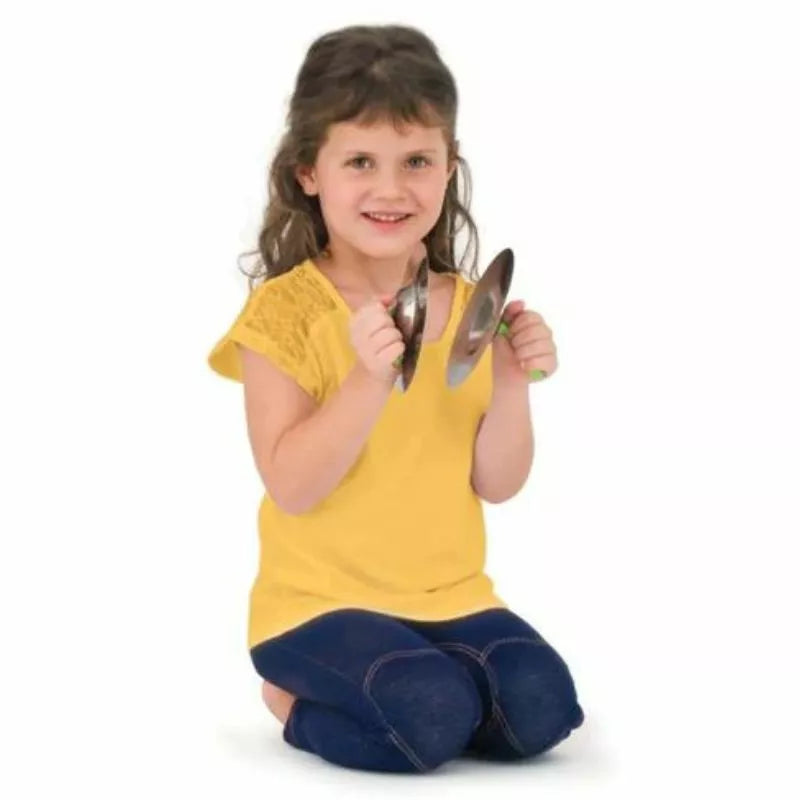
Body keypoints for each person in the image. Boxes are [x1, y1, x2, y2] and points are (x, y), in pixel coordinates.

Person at [207, 24, 584, 774]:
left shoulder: (472, 307)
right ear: (309, 172)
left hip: (450, 595)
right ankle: (293, 700)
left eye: (416, 160)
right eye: (360, 162)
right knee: (430, 714)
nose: (391, 188)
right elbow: (293, 483)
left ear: (449, 169)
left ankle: (437, 686)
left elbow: (497, 485)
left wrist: (512, 382)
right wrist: (366, 379)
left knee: (542, 708)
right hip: (318, 606)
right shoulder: (283, 314)